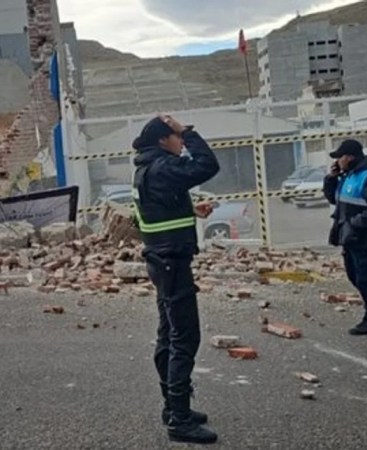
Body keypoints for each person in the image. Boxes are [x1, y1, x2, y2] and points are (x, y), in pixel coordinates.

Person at [131, 115, 220, 444]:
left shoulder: (145, 168)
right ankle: (179, 420)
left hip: (160, 260)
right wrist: (191, 132)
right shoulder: (164, 167)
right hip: (171, 263)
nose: (180, 141)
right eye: (176, 136)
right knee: (184, 338)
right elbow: (207, 165)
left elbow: (148, 213)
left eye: (181, 136)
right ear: (162, 140)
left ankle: (173, 407)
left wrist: (188, 211)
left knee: (168, 335)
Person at [323, 139, 367, 336]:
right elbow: (333, 199)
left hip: (364, 237)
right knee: (354, 276)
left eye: (340, 157)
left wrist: (355, 224)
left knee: (366, 279)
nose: (338, 161)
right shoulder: (348, 177)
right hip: (350, 237)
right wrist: (331, 177)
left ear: (350, 157)